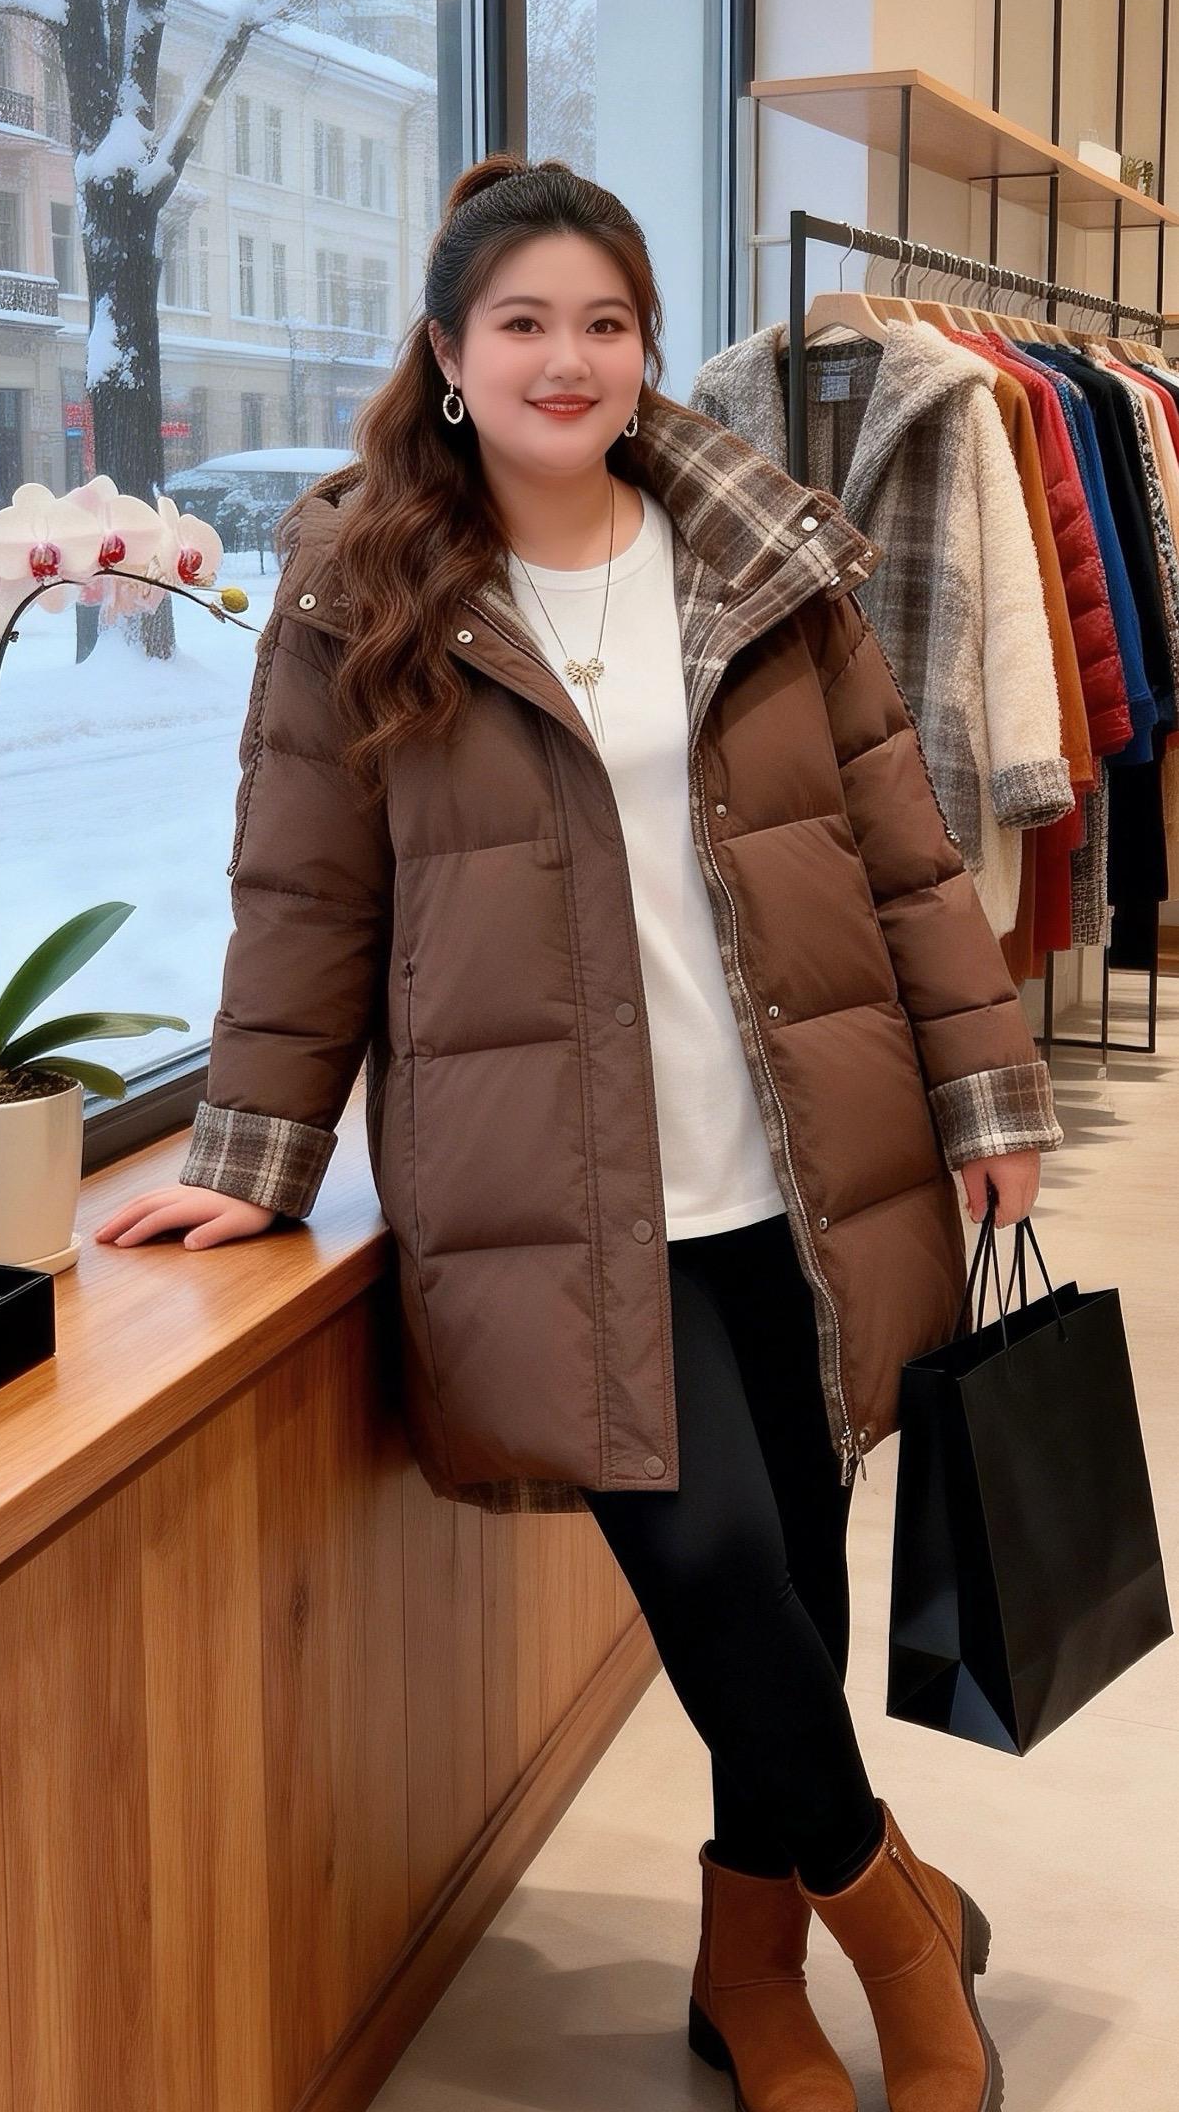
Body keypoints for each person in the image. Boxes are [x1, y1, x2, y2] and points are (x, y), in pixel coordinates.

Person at [96, 154, 1059, 2112]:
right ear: (448, 355)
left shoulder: (757, 551)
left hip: (796, 1153)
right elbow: (304, 897)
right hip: (551, 1190)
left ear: (643, 346)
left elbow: (897, 845)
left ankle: (746, 1974)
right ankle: (898, 1924)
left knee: (788, 1578)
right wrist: (250, 1154)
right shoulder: (365, 585)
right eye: (523, 323)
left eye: (605, 322)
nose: (568, 358)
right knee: (707, 1558)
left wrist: (984, 1092)